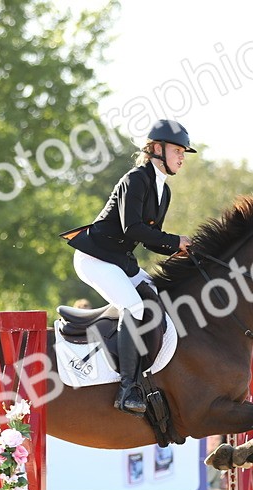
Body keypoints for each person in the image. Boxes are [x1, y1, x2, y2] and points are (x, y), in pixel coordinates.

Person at [60, 119, 195, 414]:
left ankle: (149, 371)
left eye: (183, 152)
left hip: (119, 260)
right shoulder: (136, 179)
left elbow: (150, 241)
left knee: (155, 296)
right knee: (134, 307)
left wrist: (185, 248)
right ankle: (127, 388)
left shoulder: (164, 190)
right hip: (95, 257)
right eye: (177, 150)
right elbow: (133, 228)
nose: (182, 157)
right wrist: (175, 240)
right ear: (156, 149)